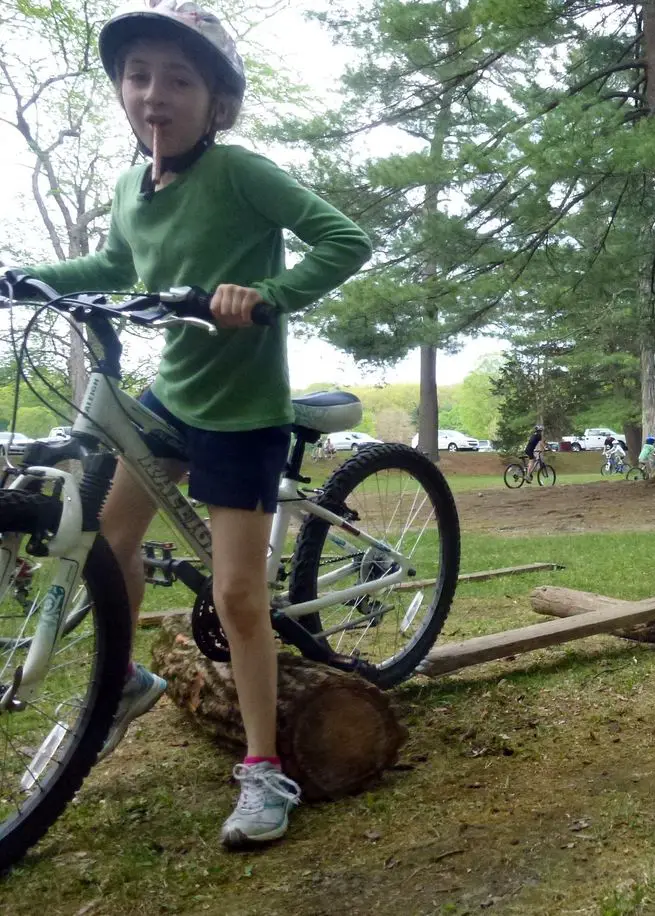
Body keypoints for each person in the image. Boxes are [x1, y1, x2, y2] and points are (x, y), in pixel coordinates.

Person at [4, 0, 372, 849]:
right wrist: (24, 276)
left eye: (179, 78)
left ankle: (264, 770)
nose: (154, 94)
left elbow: (341, 238)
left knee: (238, 596)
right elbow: (113, 264)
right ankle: (123, 677)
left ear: (218, 102)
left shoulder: (241, 173)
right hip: (171, 397)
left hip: (242, 413)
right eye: (138, 76)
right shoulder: (134, 185)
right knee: (107, 542)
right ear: (122, 90)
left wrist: (267, 297)